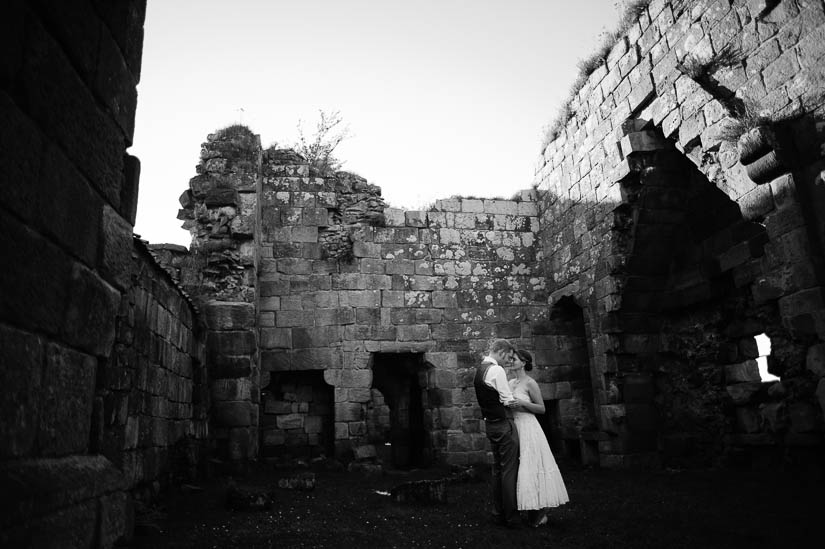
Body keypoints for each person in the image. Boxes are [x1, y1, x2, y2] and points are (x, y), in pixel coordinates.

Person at [508, 349, 569, 527]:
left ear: (524, 362)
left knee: (531, 466)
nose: (511, 361)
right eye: (511, 359)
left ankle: (539, 511)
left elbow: (541, 409)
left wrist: (523, 403)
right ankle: (526, 507)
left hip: (528, 427)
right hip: (515, 427)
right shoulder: (510, 382)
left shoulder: (530, 383)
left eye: (514, 359)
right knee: (519, 468)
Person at [473, 338, 521, 528]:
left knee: (498, 471)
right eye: (508, 357)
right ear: (501, 352)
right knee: (509, 470)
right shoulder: (496, 370)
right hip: (503, 423)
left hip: (490, 425)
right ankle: (511, 517)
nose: (508, 361)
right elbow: (508, 400)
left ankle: (498, 513)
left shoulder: (480, 370)